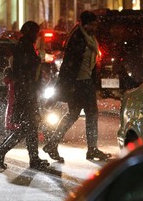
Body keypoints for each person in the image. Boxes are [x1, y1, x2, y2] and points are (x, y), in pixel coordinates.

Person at [43, 11, 112, 162]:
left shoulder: (89, 38)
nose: (94, 27)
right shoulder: (78, 39)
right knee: (90, 115)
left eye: (95, 24)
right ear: (84, 24)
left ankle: (53, 144)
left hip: (85, 82)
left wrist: (95, 83)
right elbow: (69, 65)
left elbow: (91, 64)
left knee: (75, 114)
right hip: (79, 83)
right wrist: (68, 86)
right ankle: (91, 149)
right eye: (92, 24)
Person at [0, 21, 50, 170]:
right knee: (27, 127)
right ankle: (0, 152)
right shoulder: (24, 48)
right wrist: (32, 88)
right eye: (36, 33)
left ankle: (33, 158)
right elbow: (24, 73)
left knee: (30, 126)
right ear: (31, 33)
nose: (37, 37)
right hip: (26, 94)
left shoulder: (26, 47)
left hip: (27, 93)